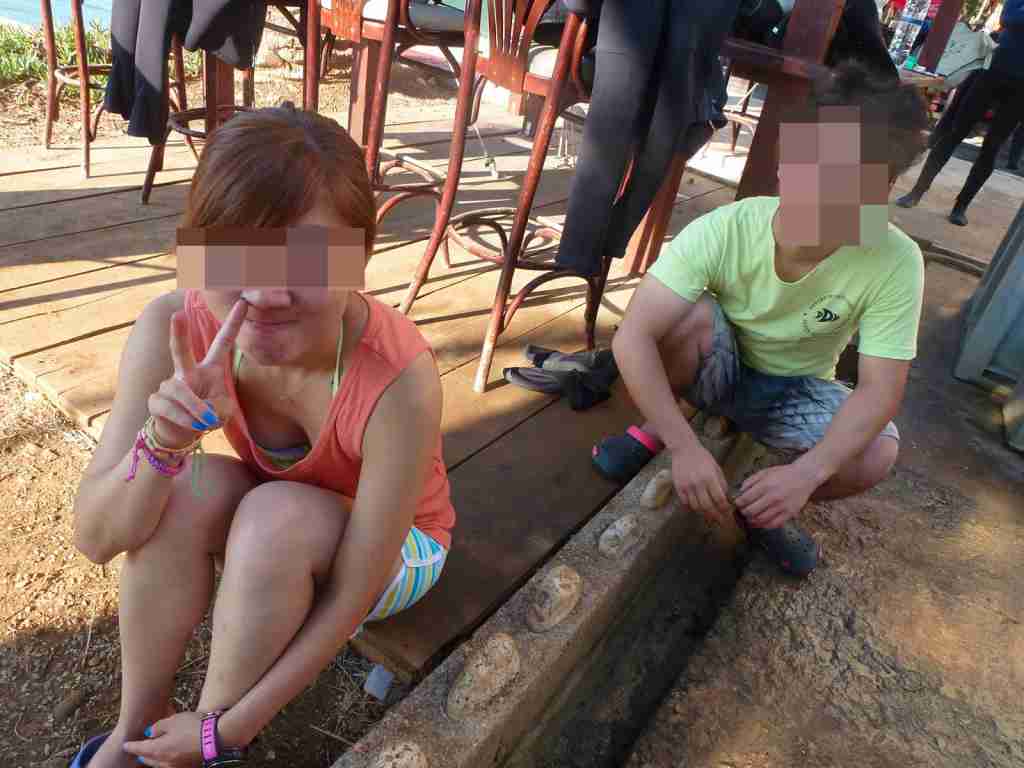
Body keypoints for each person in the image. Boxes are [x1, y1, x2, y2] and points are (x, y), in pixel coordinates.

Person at [68, 104, 455, 768]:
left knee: (275, 517)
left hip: (401, 548)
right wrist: (164, 441)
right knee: (182, 490)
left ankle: (209, 742)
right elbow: (97, 538)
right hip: (281, 514)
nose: (268, 293)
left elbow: (354, 592)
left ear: (360, 261)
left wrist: (226, 730)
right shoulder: (173, 325)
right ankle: (136, 733)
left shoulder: (399, 380)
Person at [593, 62, 928, 577]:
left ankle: (761, 505)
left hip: (796, 386)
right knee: (685, 317)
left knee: (877, 452)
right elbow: (633, 335)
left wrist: (807, 475)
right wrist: (684, 448)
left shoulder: (896, 258)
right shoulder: (728, 227)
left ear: (878, 195)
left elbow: (881, 391)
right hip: (717, 365)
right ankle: (663, 428)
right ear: (788, 166)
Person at [896, 0, 1024, 225]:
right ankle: (917, 191)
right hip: (991, 70)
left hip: (1020, 88)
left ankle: (961, 206)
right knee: (954, 133)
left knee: (992, 147)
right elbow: (1009, 18)